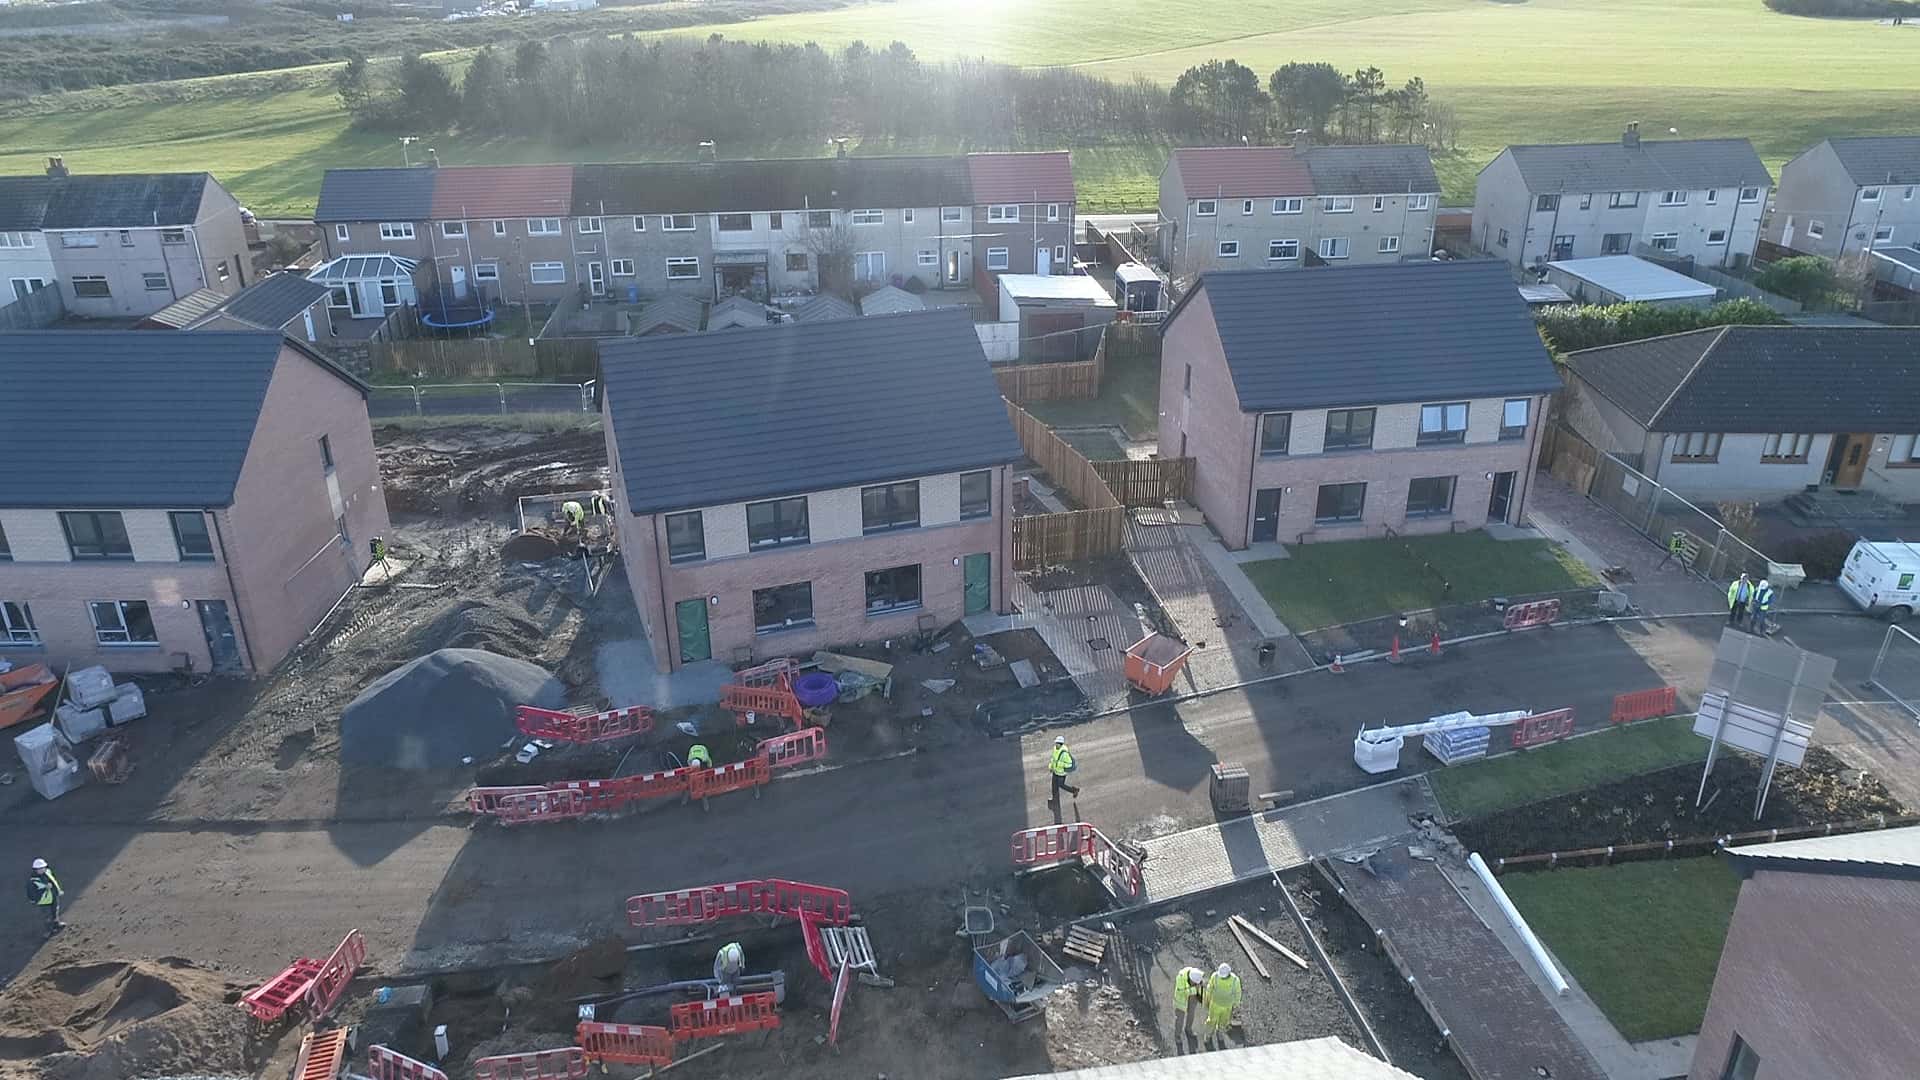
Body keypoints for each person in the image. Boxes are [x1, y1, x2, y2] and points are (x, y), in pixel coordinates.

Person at [1201, 962, 1241, 1046]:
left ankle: (1220, 1033)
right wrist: (1207, 1000)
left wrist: (1236, 1004)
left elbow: (1238, 993)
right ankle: (1208, 1035)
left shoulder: (1235, 980)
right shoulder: (1215, 976)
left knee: (1223, 1022)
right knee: (1211, 1021)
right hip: (1215, 1004)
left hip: (1227, 1007)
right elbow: (1209, 989)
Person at [27, 859, 63, 937]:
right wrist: (33, 899)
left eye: (43, 867)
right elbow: (31, 892)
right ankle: (48, 930)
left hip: (53, 897)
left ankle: (57, 924)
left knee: (55, 911)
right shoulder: (33, 881)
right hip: (43, 901)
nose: (42, 869)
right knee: (47, 916)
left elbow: (54, 882)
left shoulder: (48, 872)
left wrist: (58, 891)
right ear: (35, 870)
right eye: (40, 868)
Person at [1173, 964, 1207, 1038]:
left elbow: (1201, 985)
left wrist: (1200, 995)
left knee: (1191, 1014)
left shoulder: (1195, 974)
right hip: (1181, 1000)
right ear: (1191, 980)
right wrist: (1195, 989)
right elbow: (1182, 992)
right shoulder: (1180, 977)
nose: (1196, 984)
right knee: (1180, 1019)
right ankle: (1177, 1035)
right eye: (1194, 983)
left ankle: (1188, 1029)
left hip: (1193, 996)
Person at [1046, 736, 1080, 806]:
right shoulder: (1055, 749)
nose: (1056, 744)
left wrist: (1059, 764)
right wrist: (1051, 766)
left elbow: (1069, 764)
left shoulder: (1064, 753)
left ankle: (1074, 790)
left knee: (1061, 785)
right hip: (1055, 772)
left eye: (1057, 743)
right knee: (1054, 787)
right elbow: (1053, 758)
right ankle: (1054, 801)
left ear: (1061, 744)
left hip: (1061, 774)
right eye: (1056, 743)